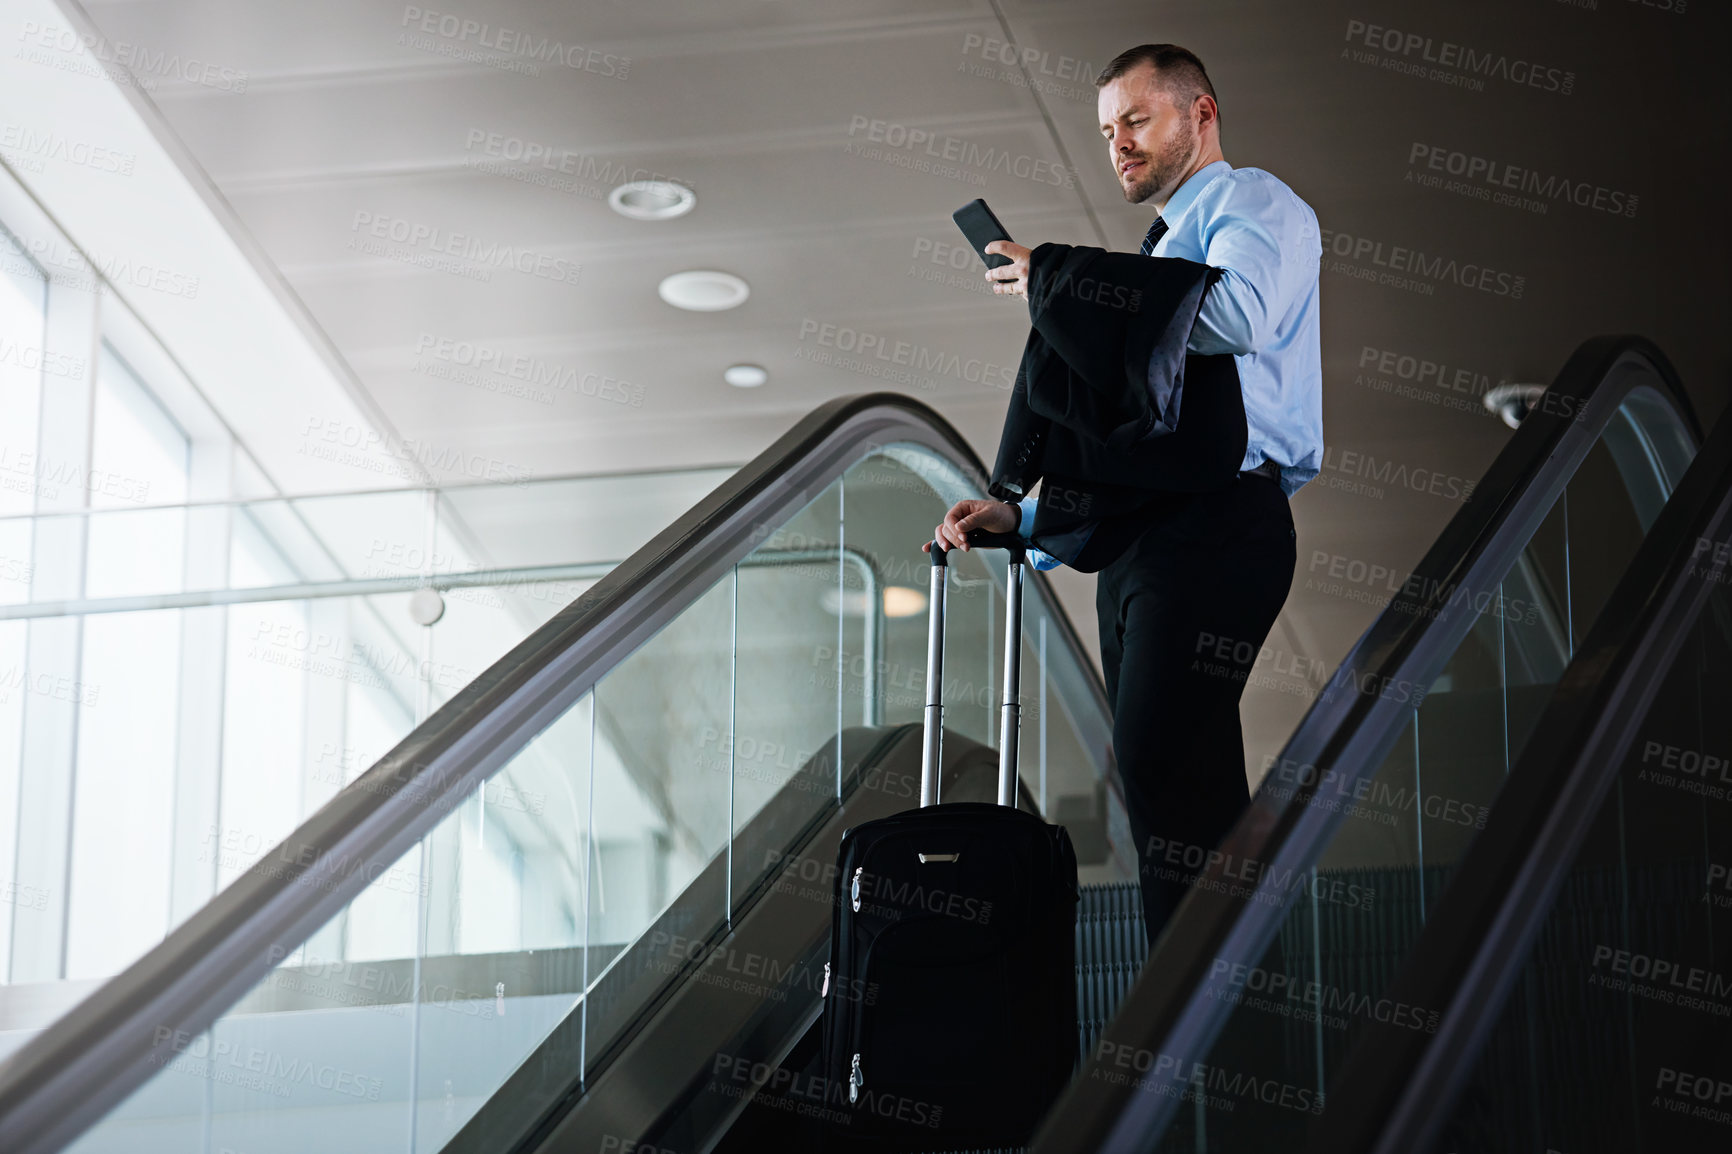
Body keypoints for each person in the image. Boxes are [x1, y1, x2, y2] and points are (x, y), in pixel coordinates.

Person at [926, 43, 1322, 945]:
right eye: (1108, 131)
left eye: (1138, 120)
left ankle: (1196, 999)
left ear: (1202, 114)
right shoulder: (1158, 256)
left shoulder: (1255, 202)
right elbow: (1135, 444)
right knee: (1167, 774)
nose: (1120, 146)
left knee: (1160, 756)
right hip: (1150, 533)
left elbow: (1232, 320)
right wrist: (1018, 517)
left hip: (1224, 523)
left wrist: (1071, 282)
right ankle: (1207, 996)